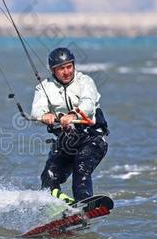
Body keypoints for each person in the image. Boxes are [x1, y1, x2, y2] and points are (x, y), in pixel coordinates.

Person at [31, 47, 109, 205]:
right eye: (61, 68)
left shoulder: (85, 81)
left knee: (81, 170)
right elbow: (36, 111)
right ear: (53, 70)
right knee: (48, 177)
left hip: (91, 139)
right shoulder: (44, 87)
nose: (66, 72)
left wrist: (73, 115)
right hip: (67, 142)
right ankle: (60, 208)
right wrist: (45, 116)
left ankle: (84, 205)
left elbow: (87, 103)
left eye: (69, 67)